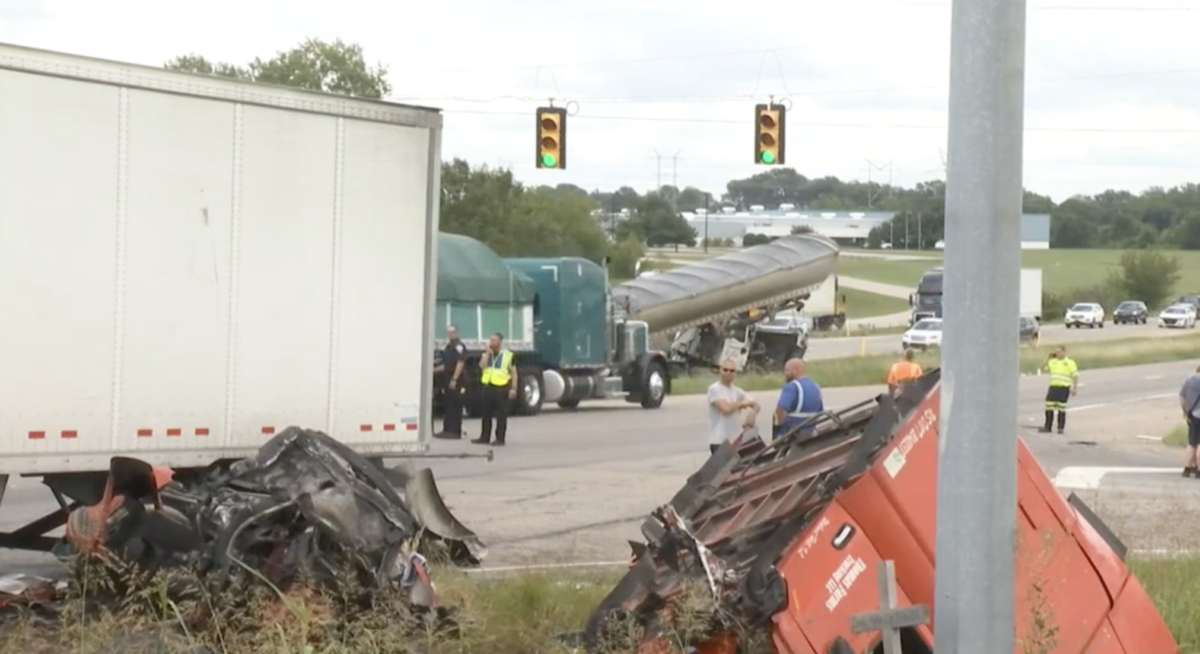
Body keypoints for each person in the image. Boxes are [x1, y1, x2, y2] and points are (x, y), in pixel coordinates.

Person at [472, 333, 517, 446]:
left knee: (501, 415)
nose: (491, 343)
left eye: (494, 340)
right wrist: (487, 353)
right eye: (490, 340)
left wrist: (513, 388)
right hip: (488, 387)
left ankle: (500, 438)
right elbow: (482, 366)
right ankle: (484, 437)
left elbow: (514, 373)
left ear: (500, 342)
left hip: (501, 387)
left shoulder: (508, 355)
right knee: (486, 414)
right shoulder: (486, 355)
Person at [706, 359, 759, 455]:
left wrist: (753, 414)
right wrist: (741, 404)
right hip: (719, 440)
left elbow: (756, 404)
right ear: (720, 370)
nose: (728, 373)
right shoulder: (714, 389)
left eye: (732, 371)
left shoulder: (736, 391)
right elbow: (726, 409)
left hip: (733, 440)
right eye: (725, 370)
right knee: (722, 469)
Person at [773, 358, 825, 440]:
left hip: (792, 433)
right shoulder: (815, 386)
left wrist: (778, 423)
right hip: (811, 432)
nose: (784, 374)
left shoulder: (792, 387)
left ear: (794, 371)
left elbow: (781, 409)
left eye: (786, 370)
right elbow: (820, 410)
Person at [434, 325, 468, 440]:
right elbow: (446, 364)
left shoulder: (458, 346)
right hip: (447, 379)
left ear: (456, 333)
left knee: (455, 405)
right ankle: (447, 430)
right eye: (448, 332)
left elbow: (460, 363)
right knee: (448, 404)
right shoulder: (449, 346)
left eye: (452, 332)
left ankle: (454, 431)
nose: (449, 334)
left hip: (456, 381)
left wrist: (454, 379)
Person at [1039, 345, 1078, 435]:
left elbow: (1075, 375)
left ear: (1064, 352)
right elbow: (1042, 368)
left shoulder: (1069, 362)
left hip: (1063, 388)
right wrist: (1048, 358)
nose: (1057, 353)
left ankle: (1060, 427)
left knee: (1061, 408)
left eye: (1059, 351)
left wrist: (1074, 388)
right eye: (1056, 352)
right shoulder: (1053, 362)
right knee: (1049, 407)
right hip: (1053, 387)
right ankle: (1047, 426)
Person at [1178, 364, 1200, 477]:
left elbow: (1182, 397)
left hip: (1192, 414)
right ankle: (1198, 470)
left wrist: (1185, 411)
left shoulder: (1189, 380)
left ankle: (1187, 467)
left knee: (1192, 443)